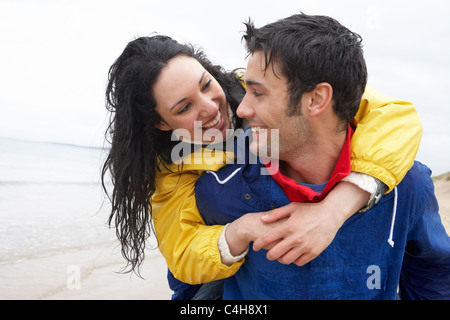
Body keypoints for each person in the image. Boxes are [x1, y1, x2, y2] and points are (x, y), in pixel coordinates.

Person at [102, 33, 422, 299]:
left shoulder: (264, 84)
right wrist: (241, 230)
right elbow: (182, 252)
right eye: (185, 107)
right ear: (160, 123)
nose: (211, 108)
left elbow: (396, 118)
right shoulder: (172, 167)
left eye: (205, 85)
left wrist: (335, 208)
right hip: (228, 271)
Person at [192, 13, 450, 299]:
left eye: (258, 93)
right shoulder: (220, 187)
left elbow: (434, 276)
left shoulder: (408, 185)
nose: (241, 110)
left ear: (316, 99)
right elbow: (190, 284)